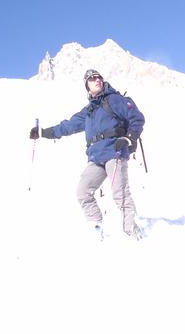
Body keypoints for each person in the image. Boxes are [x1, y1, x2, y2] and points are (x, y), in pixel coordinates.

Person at [29, 69, 145, 240]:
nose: (97, 80)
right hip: (96, 157)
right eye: (92, 79)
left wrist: (129, 138)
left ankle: (133, 233)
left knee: (120, 194)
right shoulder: (89, 111)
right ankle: (96, 229)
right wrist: (42, 132)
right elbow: (67, 126)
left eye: (98, 77)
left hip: (115, 152)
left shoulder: (114, 99)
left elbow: (137, 117)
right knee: (83, 192)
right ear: (87, 86)